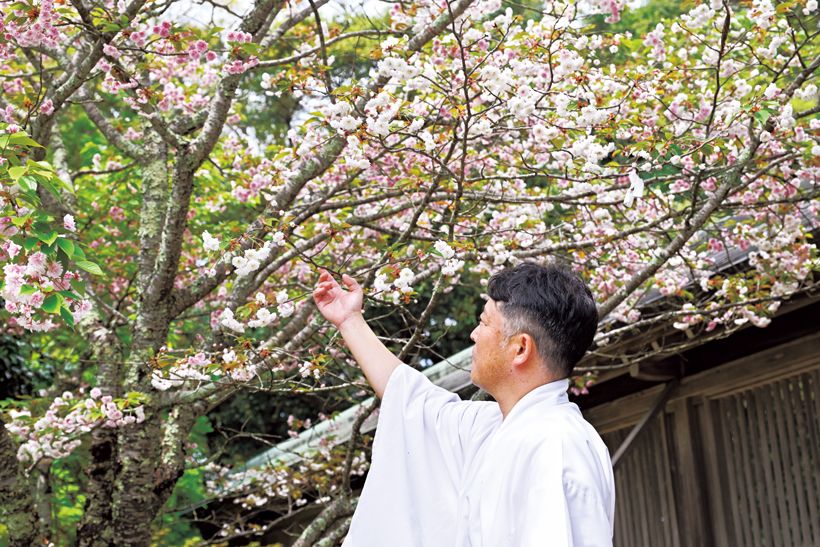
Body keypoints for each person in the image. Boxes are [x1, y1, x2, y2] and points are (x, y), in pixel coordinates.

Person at [313, 262, 615, 546]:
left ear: (520, 347)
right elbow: (413, 402)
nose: (474, 334)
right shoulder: (494, 427)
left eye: (484, 322)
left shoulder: (556, 445)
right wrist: (350, 321)